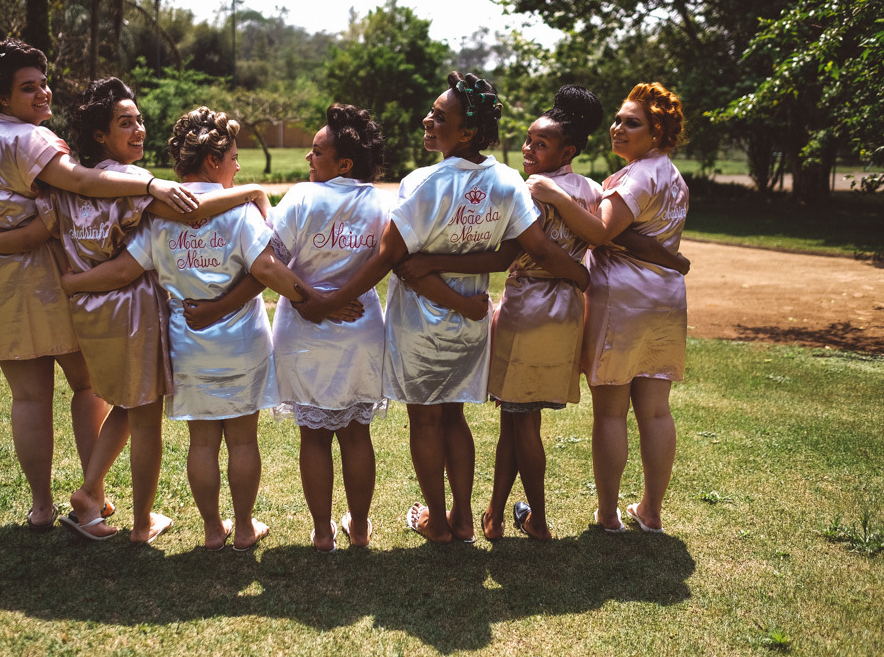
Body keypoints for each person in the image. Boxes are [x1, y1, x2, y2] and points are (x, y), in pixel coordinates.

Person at [0, 77, 272, 542]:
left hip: (88, 313)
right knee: (143, 414)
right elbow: (194, 210)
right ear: (100, 134)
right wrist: (249, 191)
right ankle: (137, 520)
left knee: (125, 407)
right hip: (132, 311)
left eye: (140, 121)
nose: (139, 130)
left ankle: (89, 493)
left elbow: (38, 230)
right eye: (125, 122)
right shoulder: (132, 183)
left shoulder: (66, 180)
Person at [297, 73, 590, 544]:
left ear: (467, 132)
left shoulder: (422, 182)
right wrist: (578, 272)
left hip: (419, 324)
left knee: (426, 420)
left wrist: (331, 299)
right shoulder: (508, 181)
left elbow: (393, 257)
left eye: (439, 116)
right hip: (470, 322)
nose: (427, 120)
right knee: (455, 417)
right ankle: (464, 518)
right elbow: (520, 248)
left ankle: (437, 519)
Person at [396, 85, 687, 542]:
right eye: (528, 142)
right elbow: (614, 236)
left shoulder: (536, 189)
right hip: (568, 311)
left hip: (529, 305)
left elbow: (518, 250)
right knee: (521, 416)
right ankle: (499, 512)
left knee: (522, 418)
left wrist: (577, 273)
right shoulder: (595, 188)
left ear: (566, 148)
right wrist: (666, 258)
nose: (529, 150)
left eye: (540, 144)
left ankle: (538, 519)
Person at [0, 39, 199, 531]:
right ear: (3, 97)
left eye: (43, 84)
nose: (43, 94)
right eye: (29, 88)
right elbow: (86, 185)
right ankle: (94, 498)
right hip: (49, 282)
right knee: (88, 386)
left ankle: (43, 506)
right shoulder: (32, 140)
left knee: (28, 398)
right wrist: (151, 184)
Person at [60, 106, 311, 551]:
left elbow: (122, 270)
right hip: (242, 343)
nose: (237, 167)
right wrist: (313, 299)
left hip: (187, 344)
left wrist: (73, 282)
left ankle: (213, 531)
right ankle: (245, 528)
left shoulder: (160, 216)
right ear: (214, 162)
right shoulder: (238, 212)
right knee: (242, 438)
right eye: (234, 158)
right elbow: (267, 268)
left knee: (202, 441)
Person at [529, 81, 689, 534]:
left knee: (612, 411)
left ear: (656, 133)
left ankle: (607, 514)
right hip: (665, 301)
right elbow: (642, 236)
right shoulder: (671, 175)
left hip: (622, 299)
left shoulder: (638, 175)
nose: (618, 128)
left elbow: (602, 232)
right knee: (657, 410)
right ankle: (652, 512)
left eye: (631, 123)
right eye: (618, 119)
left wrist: (555, 194)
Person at [268, 104, 389, 551]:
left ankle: (322, 533)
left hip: (303, 329)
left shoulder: (301, 198)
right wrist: (329, 301)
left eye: (317, 152)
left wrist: (310, 302)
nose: (308, 159)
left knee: (313, 435)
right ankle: (359, 529)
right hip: (360, 326)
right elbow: (391, 261)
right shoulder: (381, 203)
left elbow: (269, 262)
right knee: (357, 432)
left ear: (344, 163)